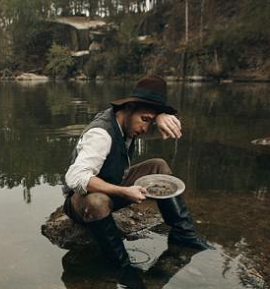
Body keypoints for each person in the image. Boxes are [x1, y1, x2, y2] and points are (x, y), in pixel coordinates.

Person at [63, 75, 213, 266]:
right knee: (97, 201)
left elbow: (148, 123)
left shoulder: (127, 120)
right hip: (81, 201)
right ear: (129, 108)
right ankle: (121, 264)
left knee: (159, 165)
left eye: (150, 121)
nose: (145, 128)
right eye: (145, 120)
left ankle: (184, 234)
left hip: (111, 185)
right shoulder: (101, 134)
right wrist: (124, 191)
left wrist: (159, 116)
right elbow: (74, 178)